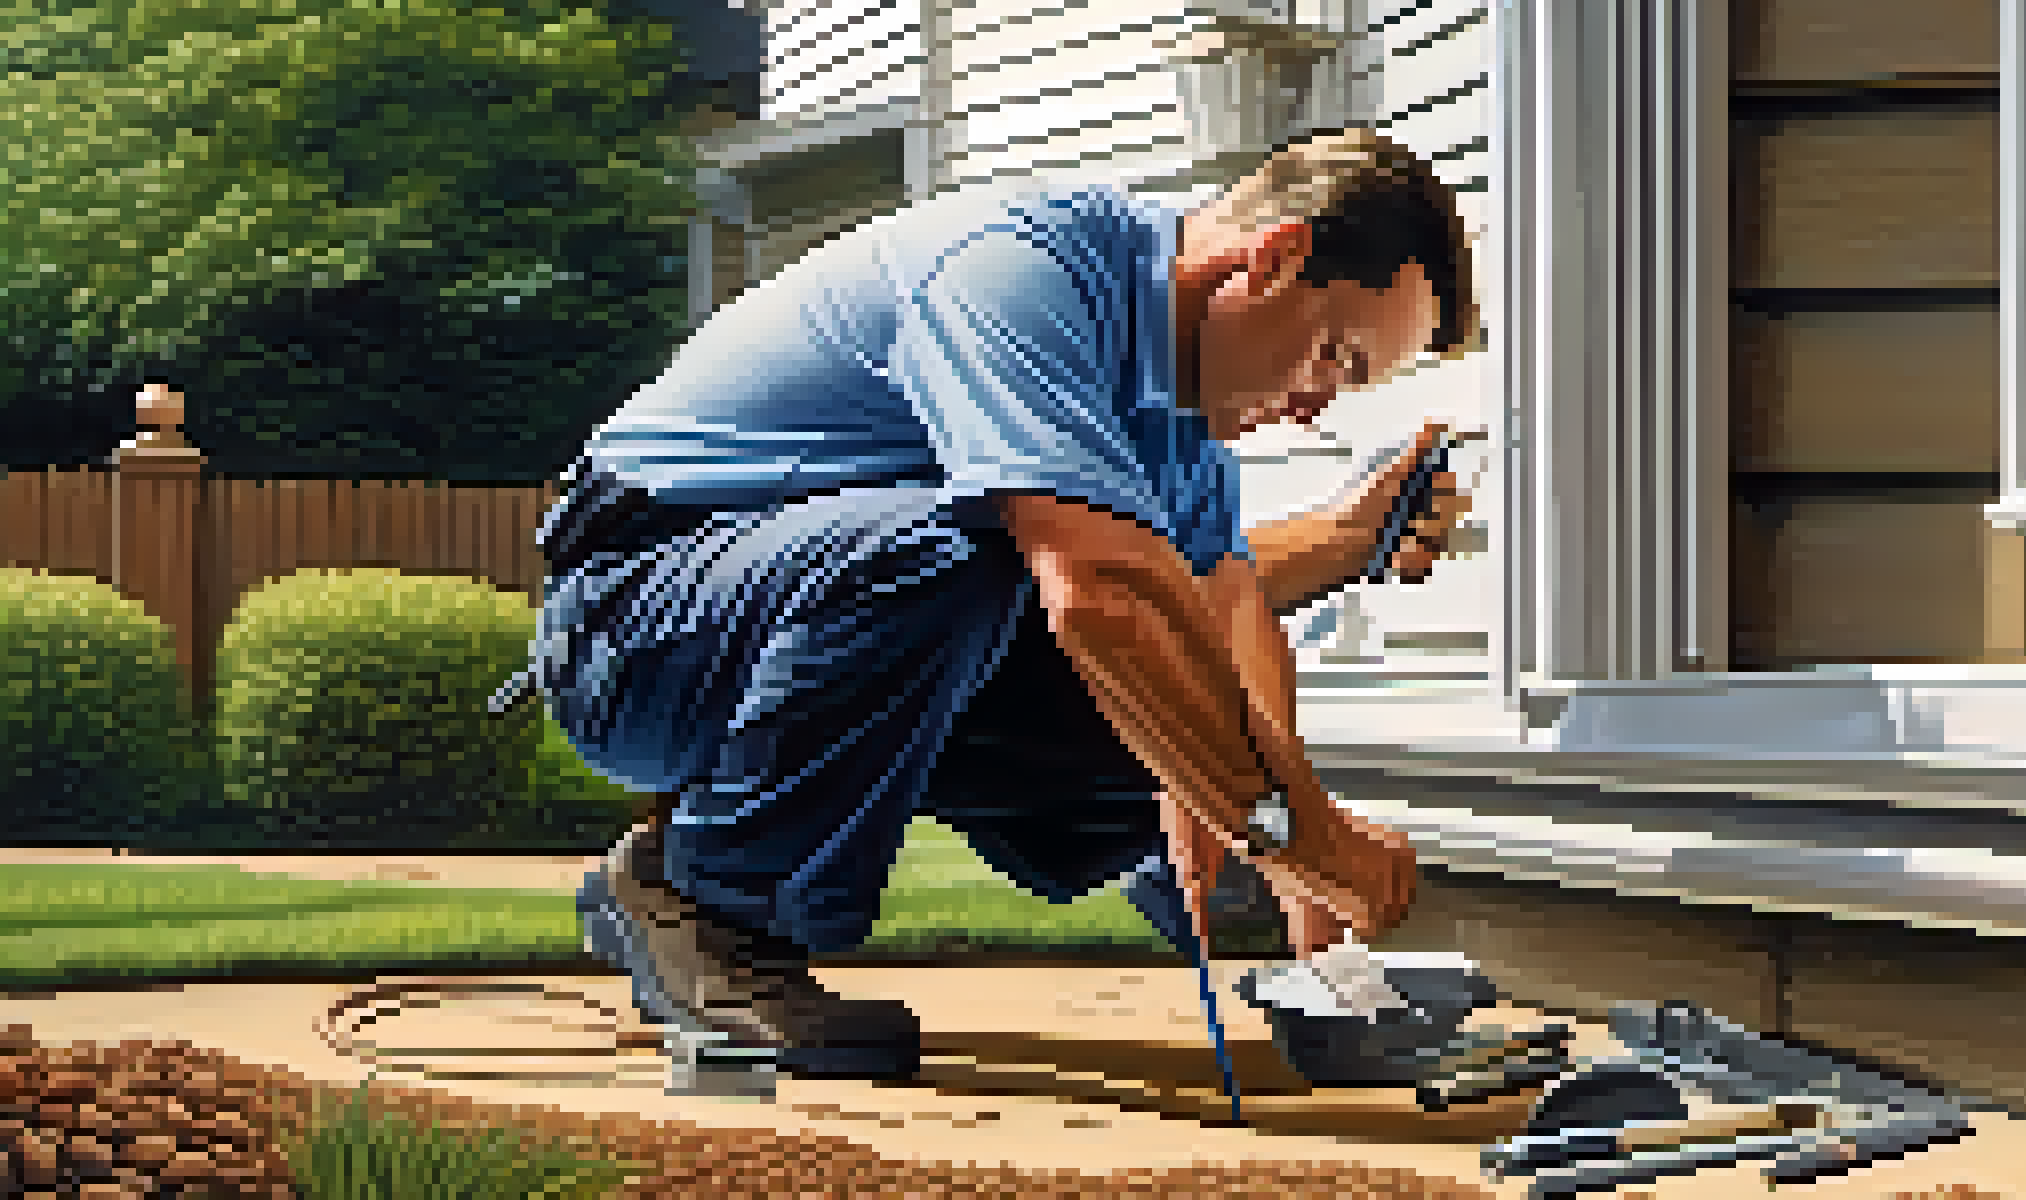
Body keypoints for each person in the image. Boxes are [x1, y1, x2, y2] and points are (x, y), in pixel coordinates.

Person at [519, 125, 1479, 1087]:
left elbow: (1225, 622)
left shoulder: (1181, 422)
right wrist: (1301, 835)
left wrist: (1296, 880)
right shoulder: (1022, 271)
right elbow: (1095, 588)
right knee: (996, 561)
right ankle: (702, 905)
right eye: (1335, 358)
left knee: (1162, 674)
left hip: (790, 609)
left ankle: (1236, 915)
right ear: (1277, 258)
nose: (1317, 406)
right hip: (632, 618)